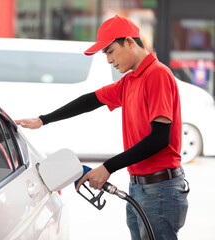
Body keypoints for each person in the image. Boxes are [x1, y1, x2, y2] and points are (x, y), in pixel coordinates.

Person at [15, 15, 189, 240]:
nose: (108, 60)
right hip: (141, 186)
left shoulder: (157, 74)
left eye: (110, 51)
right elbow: (90, 101)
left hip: (160, 189)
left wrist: (108, 167)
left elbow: (160, 138)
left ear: (129, 41)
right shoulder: (131, 81)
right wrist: (43, 119)